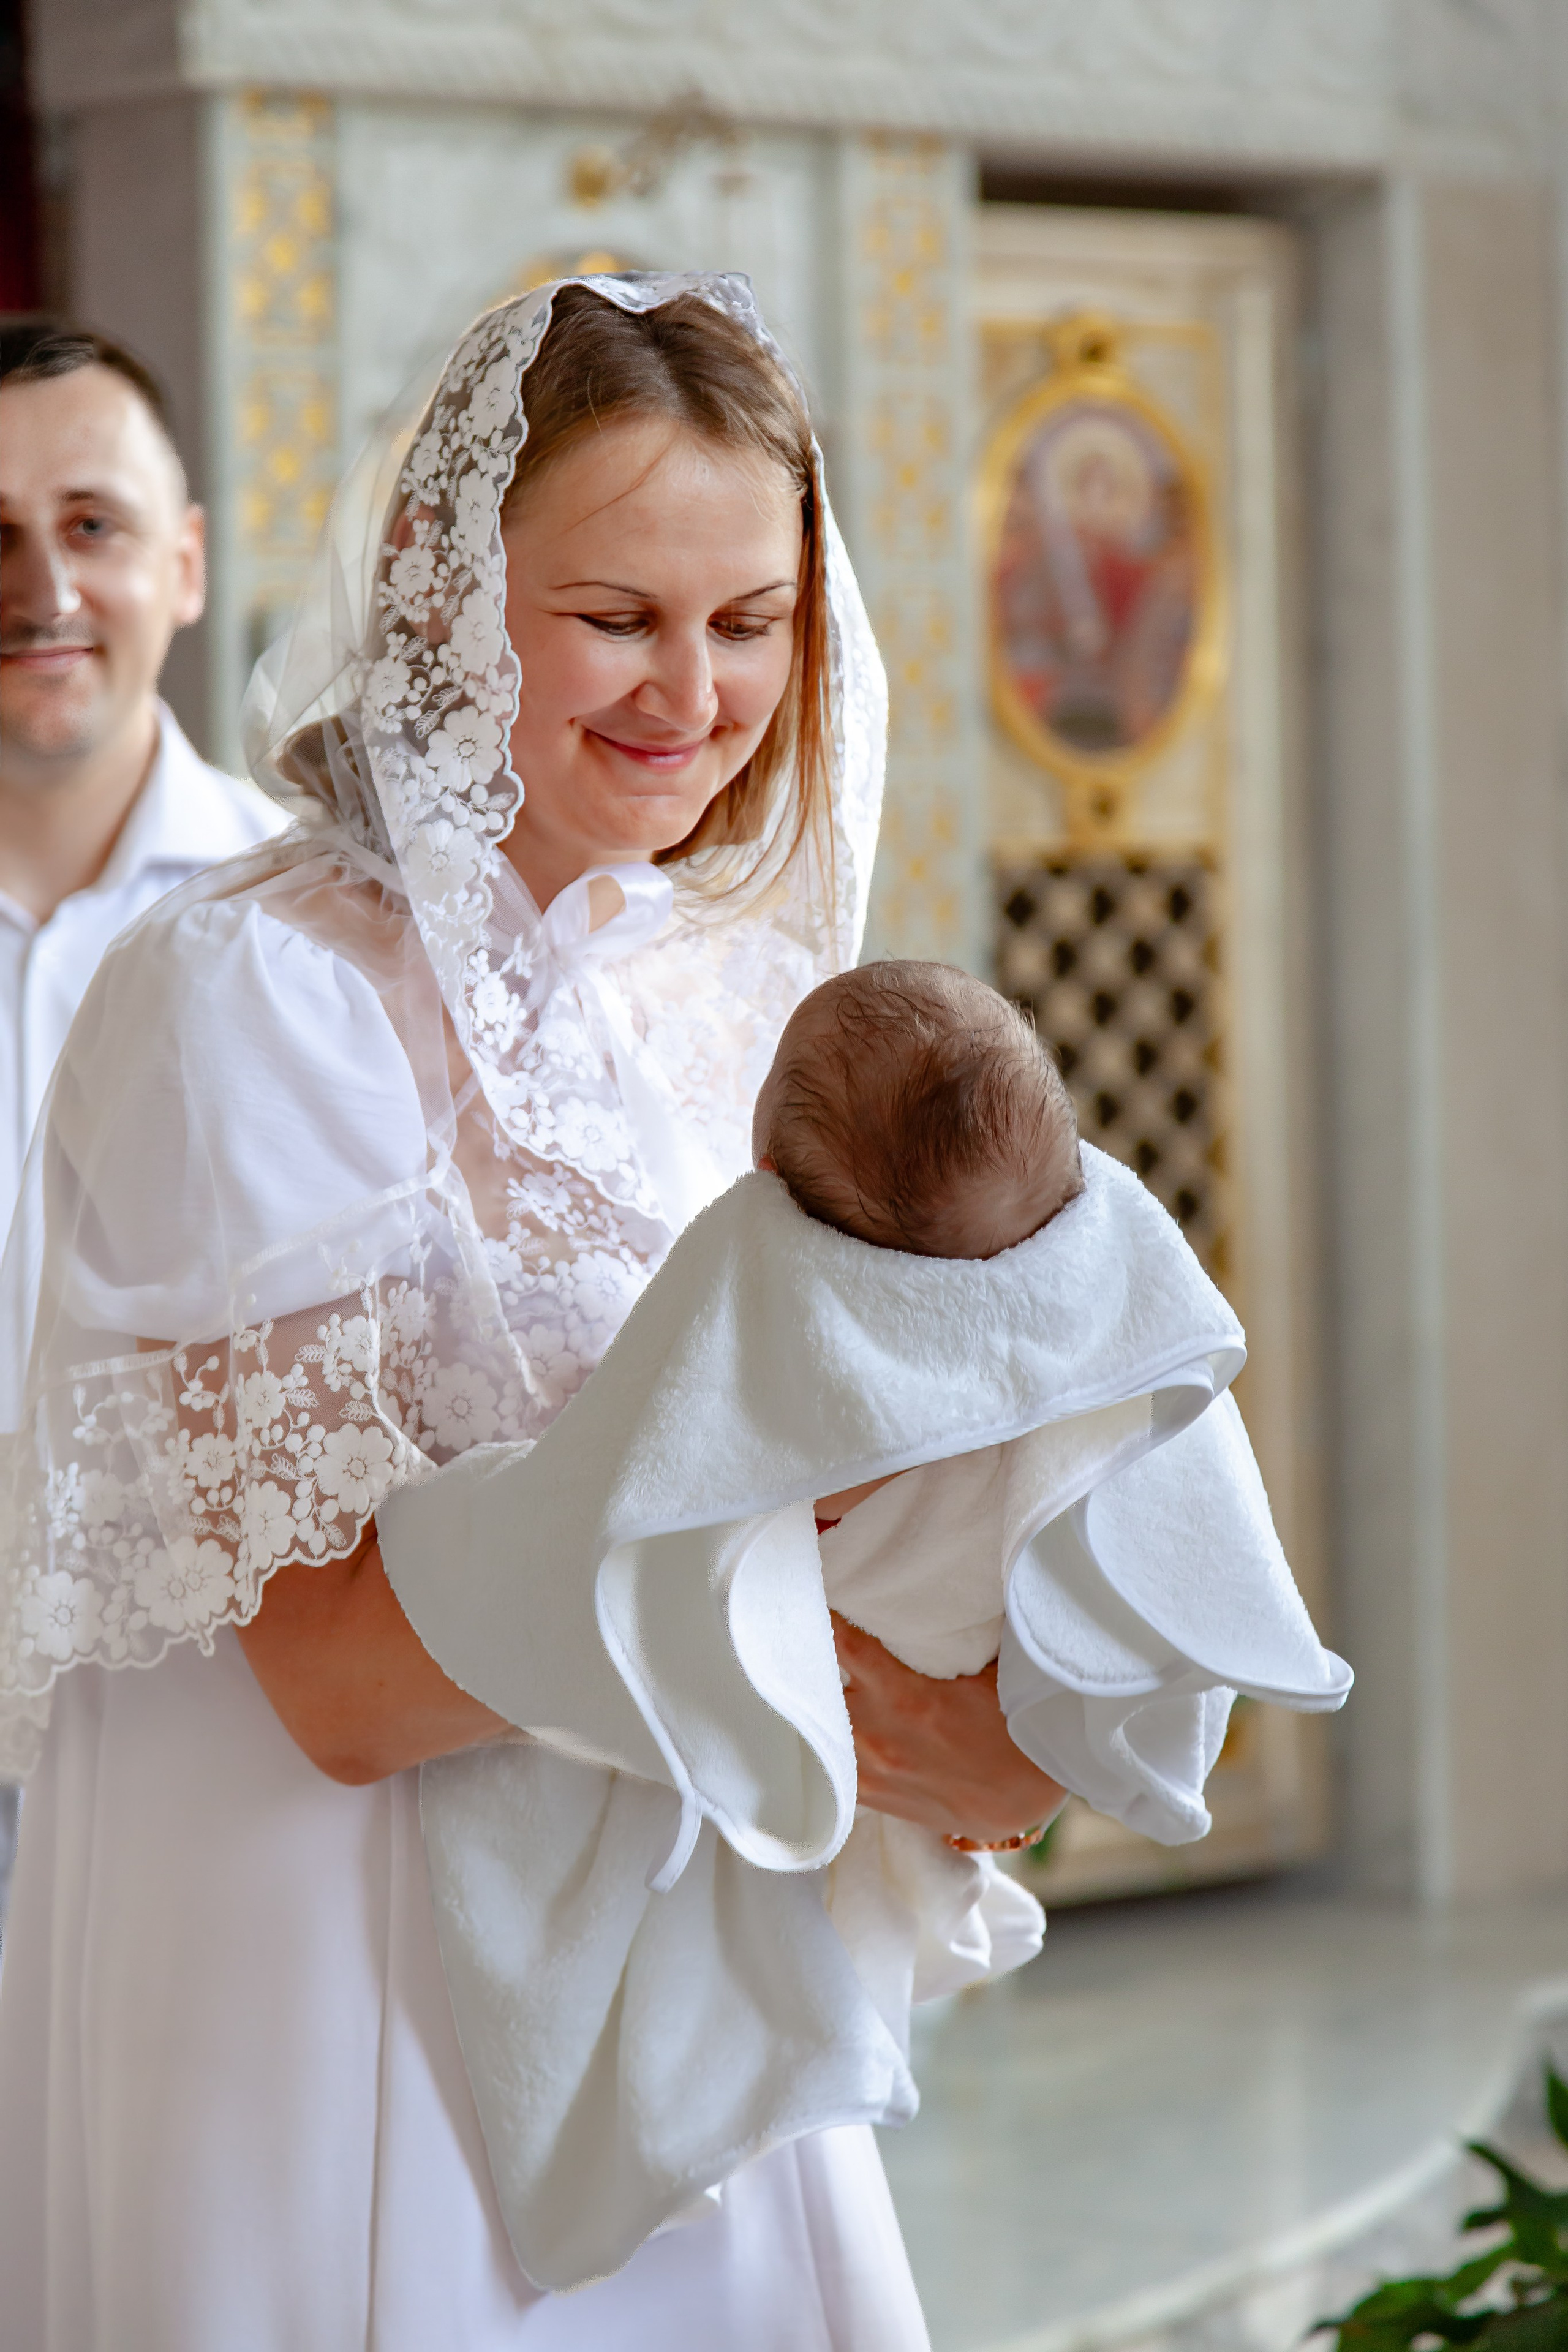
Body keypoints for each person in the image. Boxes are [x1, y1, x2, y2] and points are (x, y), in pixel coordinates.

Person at [0, 274, 1065, 2351]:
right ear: (444, 587)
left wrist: (984, 1679)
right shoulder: (252, 996)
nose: (695, 689)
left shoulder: (736, 1000)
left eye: (751, 621)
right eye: (617, 615)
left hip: (678, 1962)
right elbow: (333, 1680)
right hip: (340, 1972)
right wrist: (819, 1666)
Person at [375, 959, 1351, 2290]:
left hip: (821, 1728)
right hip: (920, 1692)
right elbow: (1139, 1520)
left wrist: (463, 1541)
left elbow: (612, 1508)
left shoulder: (756, 1287)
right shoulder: (1086, 1298)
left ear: (770, 1168)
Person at [0, 317, 288, 1927]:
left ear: (183, 563)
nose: (41, 586)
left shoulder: (306, 930)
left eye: (91, 524)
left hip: (207, 1732)